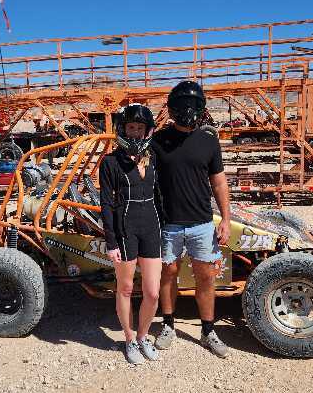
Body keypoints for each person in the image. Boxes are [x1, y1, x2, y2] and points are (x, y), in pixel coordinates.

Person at [151, 81, 231, 356]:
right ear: (173, 109)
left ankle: (208, 330)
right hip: (168, 223)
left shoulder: (209, 141)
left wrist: (226, 219)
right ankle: (168, 325)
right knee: (168, 274)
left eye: (192, 105)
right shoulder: (158, 141)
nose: (187, 111)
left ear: (200, 108)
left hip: (201, 223)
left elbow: (219, 183)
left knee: (206, 277)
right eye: (182, 105)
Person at [99, 104, 162, 365]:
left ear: (147, 131)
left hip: (152, 229)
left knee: (153, 293)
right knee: (125, 288)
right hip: (126, 231)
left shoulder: (154, 158)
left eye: (140, 128)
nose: (135, 132)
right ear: (123, 130)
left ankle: (143, 336)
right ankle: (129, 339)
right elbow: (106, 203)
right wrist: (111, 241)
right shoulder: (110, 162)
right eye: (131, 127)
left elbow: (161, 196)